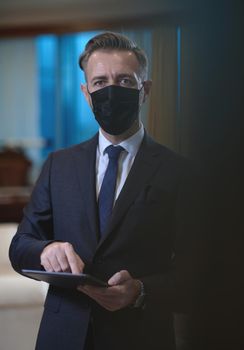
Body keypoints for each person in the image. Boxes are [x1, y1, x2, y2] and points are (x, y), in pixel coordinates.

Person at [9, 32, 201, 350]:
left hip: (140, 337)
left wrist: (140, 290)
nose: (111, 91)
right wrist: (45, 250)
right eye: (99, 83)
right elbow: (20, 246)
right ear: (86, 93)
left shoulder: (181, 172)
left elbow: (200, 272)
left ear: (145, 90)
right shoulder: (58, 164)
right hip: (62, 336)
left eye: (125, 81)